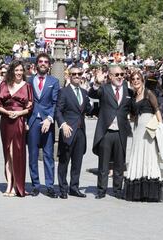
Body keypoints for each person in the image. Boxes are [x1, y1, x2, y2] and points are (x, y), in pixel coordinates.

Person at [88, 66, 133, 199]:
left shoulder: (128, 91)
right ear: (111, 76)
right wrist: (97, 82)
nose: (120, 77)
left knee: (120, 163)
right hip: (106, 132)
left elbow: (134, 107)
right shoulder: (105, 89)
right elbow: (92, 94)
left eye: (122, 74)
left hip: (121, 132)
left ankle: (118, 189)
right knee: (104, 163)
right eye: (117, 74)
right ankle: (101, 190)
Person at [123, 71, 163, 202]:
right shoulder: (133, 97)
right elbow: (132, 116)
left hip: (149, 131)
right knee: (137, 156)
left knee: (149, 157)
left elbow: (157, 110)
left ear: (142, 80)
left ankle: (150, 192)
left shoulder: (148, 93)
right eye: (133, 79)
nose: (136, 81)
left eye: (138, 79)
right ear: (131, 82)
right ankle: (138, 192)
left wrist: (161, 128)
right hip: (137, 131)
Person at [0, 60, 33, 197]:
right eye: (16, 70)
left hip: (19, 121)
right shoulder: (4, 85)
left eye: (21, 70)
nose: (19, 73)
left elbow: (30, 106)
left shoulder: (27, 86)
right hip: (5, 121)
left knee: (16, 152)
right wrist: (7, 112)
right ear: (12, 71)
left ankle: (17, 184)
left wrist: (19, 113)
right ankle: (9, 184)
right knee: (7, 154)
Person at [55, 64, 92, 199]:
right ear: (69, 76)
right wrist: (63, 124)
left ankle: (74, 187)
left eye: (79, 74)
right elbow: (58, 110)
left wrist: (91, 105)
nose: (77, 76)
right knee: (64, 161)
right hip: (68, 131)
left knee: (77, 161)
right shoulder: (63, 92)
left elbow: (87, 110)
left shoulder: (83, 92)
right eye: (74, 74)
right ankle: (63, 188)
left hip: (81, 131)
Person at [27, 53, 60, 198]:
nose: (43, 64)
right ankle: (35, 185)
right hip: (33, 121)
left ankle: (50, 186)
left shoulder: (54, 81)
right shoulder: (28, 80)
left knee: (48, 155)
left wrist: (50, 118)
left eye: (46, 62)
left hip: (47, 122)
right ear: (36, 64)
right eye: (40, 61)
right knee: (33, 155)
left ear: (49, 65)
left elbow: (55, 102)